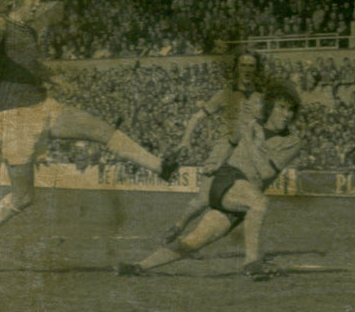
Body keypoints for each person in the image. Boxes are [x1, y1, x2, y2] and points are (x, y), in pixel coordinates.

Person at [0, 0, 178, 268]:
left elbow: (29, 65)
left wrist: (52, 77)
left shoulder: (29, 31)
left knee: (99, 128)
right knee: (23, 198)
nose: (38, 4)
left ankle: (160, 166)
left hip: (43, 107)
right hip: (14, 119)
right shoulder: (2, 25)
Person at [117, 83, 302, 278]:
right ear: (271, 107)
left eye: (291, 110)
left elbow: (266, 172)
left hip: (241, 198)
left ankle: (137, 266)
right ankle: (251, 263)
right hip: (229, 179)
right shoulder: (251, 126)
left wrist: (250, 141)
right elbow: (229, 140)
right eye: (281, 107)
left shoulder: (292, 142)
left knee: (194, 242)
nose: (286, 114)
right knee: (260, 203)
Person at [162, 52, 265, 245]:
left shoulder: (261, 99)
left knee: (242, 207)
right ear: (237, 68)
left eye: (251, 66)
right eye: (244, 65)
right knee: (203, 200)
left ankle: (196, 240)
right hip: (224, 151)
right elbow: (197, 117)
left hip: (247, 157)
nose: (247, 70)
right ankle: (178, 226)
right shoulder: (225, 94)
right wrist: (186, 140)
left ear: (256, 69)